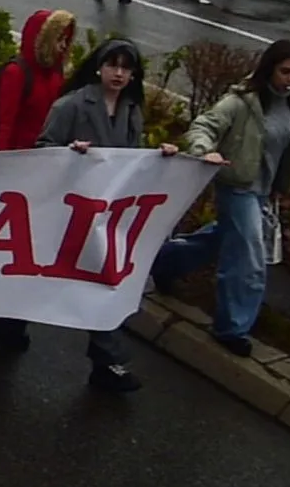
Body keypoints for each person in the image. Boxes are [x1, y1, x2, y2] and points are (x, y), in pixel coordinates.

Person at [38, 39, 183, 393]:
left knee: (103, 279)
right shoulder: (70, 106)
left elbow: (130, 160)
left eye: (126, 67)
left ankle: (106, 361)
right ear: (98, 67)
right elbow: (41, 151)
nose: (119, 73)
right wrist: (68, 154)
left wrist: (159, 157)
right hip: (70, 211)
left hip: (105, 215)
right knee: (41, 279)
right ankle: (4, 322)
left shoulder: (132, 110)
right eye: (112, 65)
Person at [180, 39, 290, 356]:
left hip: (264, 190)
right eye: (284, 71)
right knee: (250, 257)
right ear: (269, 69)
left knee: (222, 238)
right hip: (237, 186)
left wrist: (281, 185)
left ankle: (164, 262)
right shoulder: (241, 102)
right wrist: (204, 151)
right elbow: (204, 125)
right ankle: (233, 328)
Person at [0, 10, 76, 152]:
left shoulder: (56, 72)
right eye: (59, 39)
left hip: (45, 152)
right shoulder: (16, 73)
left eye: (66, 40)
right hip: (21, 156)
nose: (63, 46)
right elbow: (5, 125)